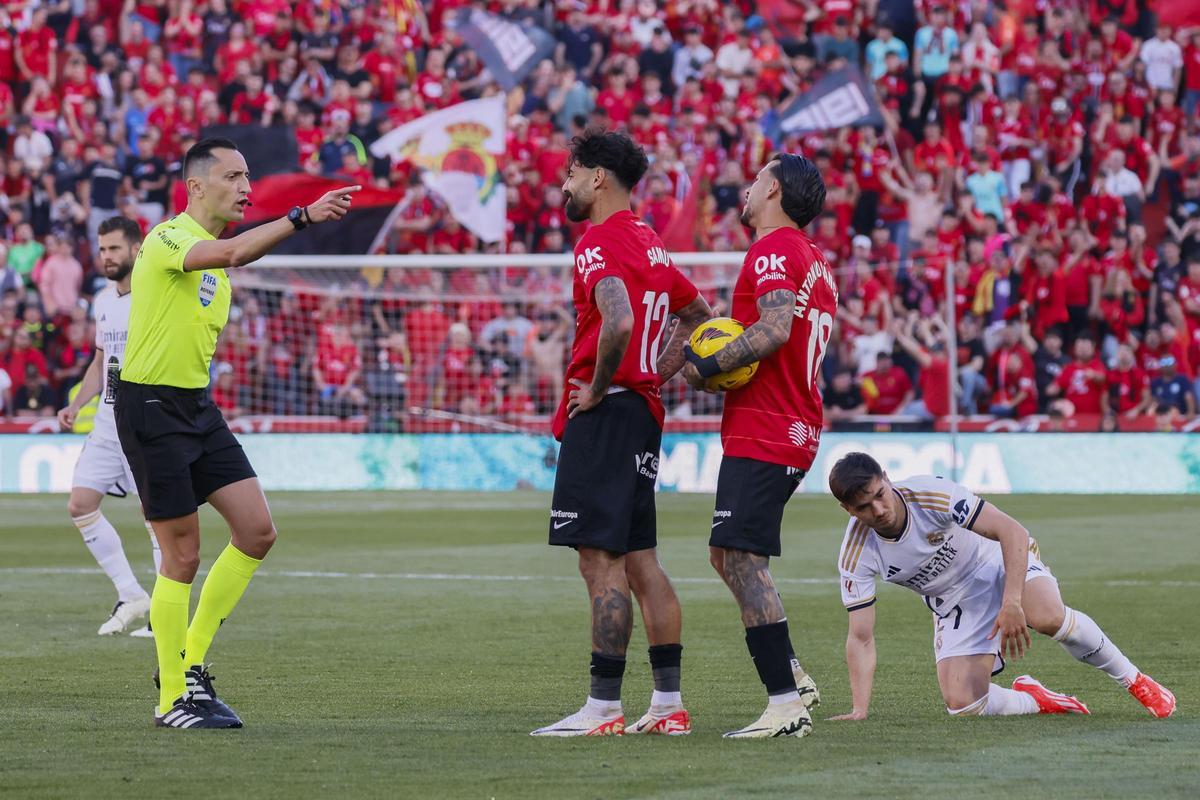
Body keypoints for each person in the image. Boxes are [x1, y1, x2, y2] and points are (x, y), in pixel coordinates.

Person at [115, 137, 359, 729]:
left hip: (197, 408)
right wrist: (299, 216)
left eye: (249, 176)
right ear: (196, 186)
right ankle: (173, 697)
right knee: (182, 556)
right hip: (150, 406)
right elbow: (230, 255)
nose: (247, 187)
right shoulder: (169, 237)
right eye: (235, 175)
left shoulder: (221, 267)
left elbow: (227, 265)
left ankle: (189, 661)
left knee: (257, 531)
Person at [532, 130, 712, 738]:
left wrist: (602, 385)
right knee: (642, 561)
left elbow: (619, 319)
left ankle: (603, 706)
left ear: (597, 177)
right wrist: (654, 374)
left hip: (606, 417)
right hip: (643, 416)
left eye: (571, 173)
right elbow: (699, 316)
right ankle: (668, 705)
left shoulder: (598, 243)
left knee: (599, 561)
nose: (565, 185)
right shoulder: (652, 244)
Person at [827, 452, 1176, 720]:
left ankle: (1134, 680)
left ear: (887, 479)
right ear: (846, 509)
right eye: (864, 506)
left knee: (1047, 616)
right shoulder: (856, 554)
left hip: (996, 560)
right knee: (963, 705)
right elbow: (861, 636)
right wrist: (860, 708)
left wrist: (1012, 602)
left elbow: (1012, 532)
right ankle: (1034, 699)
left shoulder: (930, 495)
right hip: (953, 602)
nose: (879, 509)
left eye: (880, 494)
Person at [681, 153, 835, 738]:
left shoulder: (773, 249)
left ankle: (784, 705)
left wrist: (705, 366)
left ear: (771, 189)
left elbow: (773, 331)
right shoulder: (814, 260)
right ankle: (791, 676)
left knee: (741, 557)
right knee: (728, 553)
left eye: (752, 181)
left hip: (769, 423)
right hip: (789, 422)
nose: (744, 190)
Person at [57, 217, 160, 636]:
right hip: (105, 421)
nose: (107, 257)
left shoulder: (154, 297)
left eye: (115, 249)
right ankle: (131, 594)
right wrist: (77, 404)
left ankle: (165, 614)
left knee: (157, 516)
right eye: (102, 250)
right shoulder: (103, 300)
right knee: (80, 504)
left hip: (143, 422)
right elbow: (102, 363)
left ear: (137, 250)